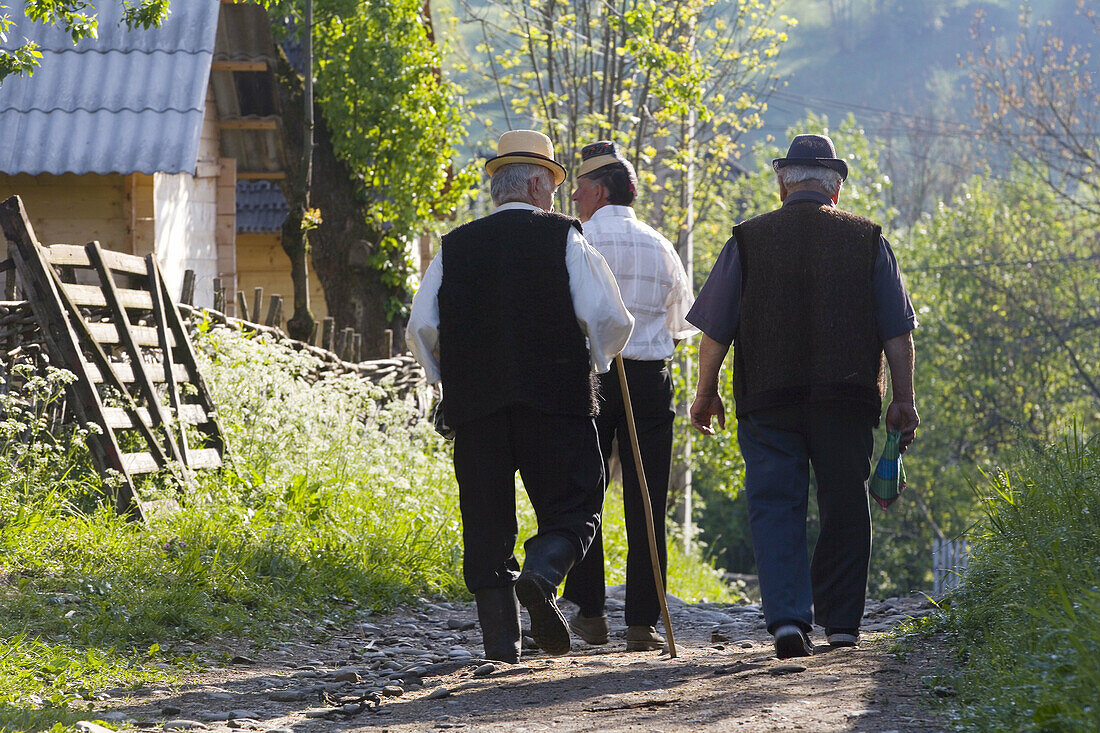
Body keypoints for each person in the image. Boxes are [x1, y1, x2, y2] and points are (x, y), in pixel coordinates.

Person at [687, 133, 919, 659]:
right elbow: (897, 333)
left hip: (768, 398)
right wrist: (902, 399)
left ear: (781, 184)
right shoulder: (869, 240)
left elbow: (715, 332)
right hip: (847, 397)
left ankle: (789, 622)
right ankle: (841, 625)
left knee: (775, 505)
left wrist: (705, 394)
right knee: (844, 503)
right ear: (835, 189)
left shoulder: (747, 239)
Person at [406, 130, 634, 663]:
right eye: (552, 185)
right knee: (576, 503)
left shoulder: (454, 246)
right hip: (555, 401)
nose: (554, 196)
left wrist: (450, 378)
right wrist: (598, 359)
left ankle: (501, 645)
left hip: (477, 406)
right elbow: (605, 316)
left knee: (485, 519)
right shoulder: (565, 237)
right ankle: (542, 572)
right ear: (535, 183)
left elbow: (422, 326)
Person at [560, 141, 696, 652]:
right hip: (647, 379)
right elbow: (681, 325)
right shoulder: (660, 244)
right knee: (647, 500)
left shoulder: (575, 240)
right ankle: (642, 622)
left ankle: (591, 614)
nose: (573, 197)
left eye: (578, 188)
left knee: (584, 492)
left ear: (598, 190)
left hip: (591, 378)